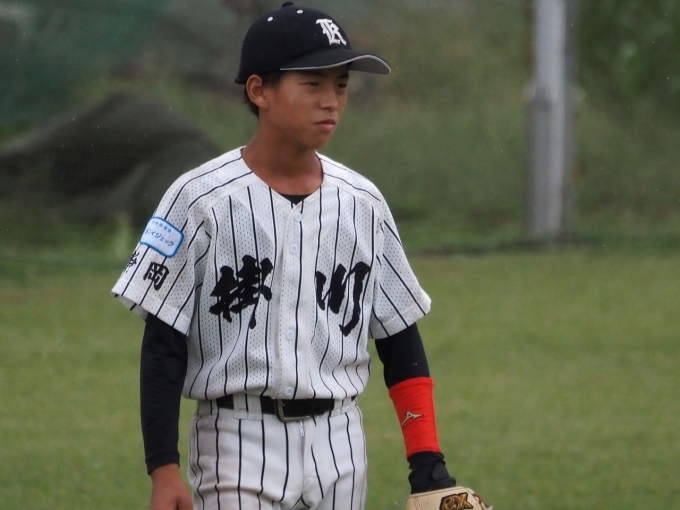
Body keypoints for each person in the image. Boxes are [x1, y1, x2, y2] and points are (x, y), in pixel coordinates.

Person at [112, 3, 456, 509]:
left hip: (340, 441)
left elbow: (400, 337)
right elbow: (163, 343)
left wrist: (427, 463)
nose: (331, 101)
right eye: (312, 83)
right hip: (235, 439)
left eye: (340, 85)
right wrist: (163, 467)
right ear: (259, 91)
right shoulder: (199, 199)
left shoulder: (363, 203)